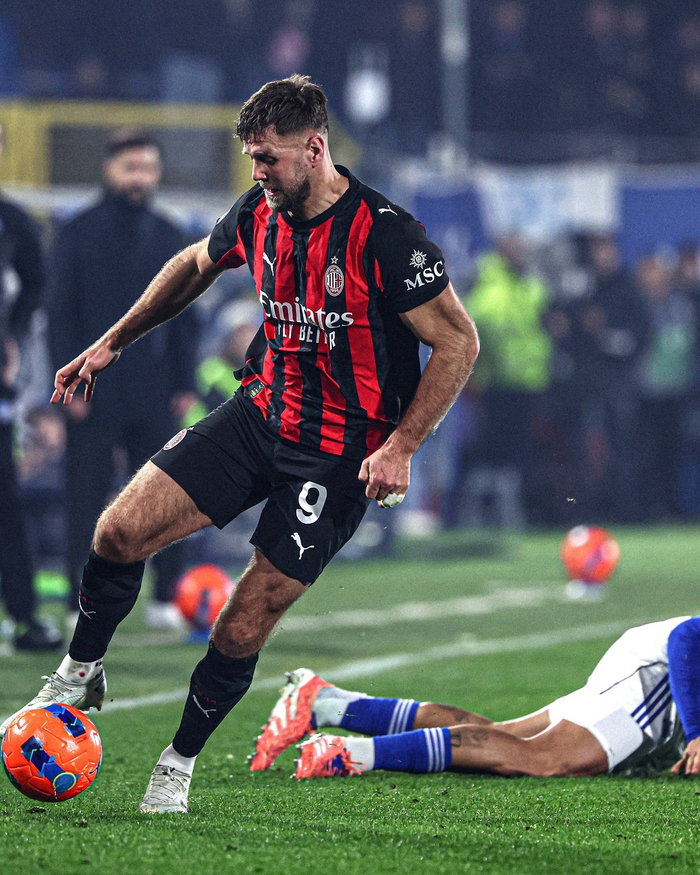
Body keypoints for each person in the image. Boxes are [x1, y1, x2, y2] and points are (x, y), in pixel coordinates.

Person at [0, 76, 479, 814]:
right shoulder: (261, 210)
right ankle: (80, 669)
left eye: (269, 158)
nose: (258, 172)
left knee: (245, 617)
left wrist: (402, 446)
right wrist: (113, 342)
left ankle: (178, 761)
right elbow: (194, 265)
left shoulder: (386, 234)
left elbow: (457, 341)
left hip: (337, 456)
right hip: (259, 416)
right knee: (118, 531)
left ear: (314, 149)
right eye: (252, 158)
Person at [47, 129, 200, 632]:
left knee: (167, 494)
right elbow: (60, 315)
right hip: (92, 389)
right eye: (131, 168)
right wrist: (68, 383)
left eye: (148, 169)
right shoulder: (77, 233)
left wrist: (184, 382)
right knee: (85, 498)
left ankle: (167, 597)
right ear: (109, 170)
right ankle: (79, 597)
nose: (140, 178)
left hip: (154, 388)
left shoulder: (170, 234)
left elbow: (185, 315)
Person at [251, 616, 700, 781]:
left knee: (500, 737)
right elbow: (686, 636)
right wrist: (696, 733)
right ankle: (348, 753)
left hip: (643, 665)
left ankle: (329, 704)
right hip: (652, 676)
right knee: (545, 759)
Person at [0, 122, 63, 652]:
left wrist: (13, 335)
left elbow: (36, 286)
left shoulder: (14, 222)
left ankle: (24, 614)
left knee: (5, 499)